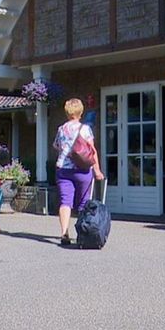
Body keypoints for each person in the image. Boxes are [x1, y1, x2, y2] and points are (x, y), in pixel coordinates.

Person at [52, 97, 104, 245]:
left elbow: (56, 146)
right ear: (80, 112)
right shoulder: (85, 129)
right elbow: (91, 151)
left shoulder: (61, 129)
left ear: (67, 112)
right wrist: (97, 170)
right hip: (82, 170)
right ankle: (83, 233)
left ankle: (64, 233)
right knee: (83, 203)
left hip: (64, 169)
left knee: (65, 202)